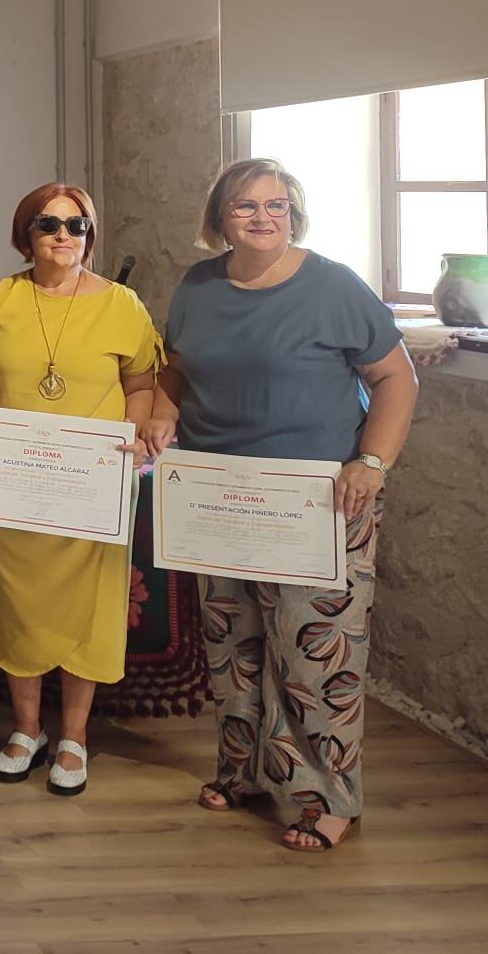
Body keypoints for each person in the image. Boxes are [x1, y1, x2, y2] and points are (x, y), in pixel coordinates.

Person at [141, 159, 417, 852]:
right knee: (232, 646)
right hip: (216, 494)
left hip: (317, 499)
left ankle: (327, 798)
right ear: (219, 218)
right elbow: (177, 368)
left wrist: (373, 462)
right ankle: (245, 772)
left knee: (313, 655)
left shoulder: (332, 286)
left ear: (293, 213)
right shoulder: (199, 285)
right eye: (245, 206)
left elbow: (395, 378)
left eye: (276, 205)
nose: (262, 218)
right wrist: (162, 413)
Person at [0, 182, 162, 798]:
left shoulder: (123, 304)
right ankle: (26, 730)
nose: (63, 236)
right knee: (16, 602)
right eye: (49, 224)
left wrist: (135, 435)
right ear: (27, 232)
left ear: (90, 235)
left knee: (89, 607)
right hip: (13, 487)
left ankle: (73, 735)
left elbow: (142, 384)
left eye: (77, 226)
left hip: (90, 486)